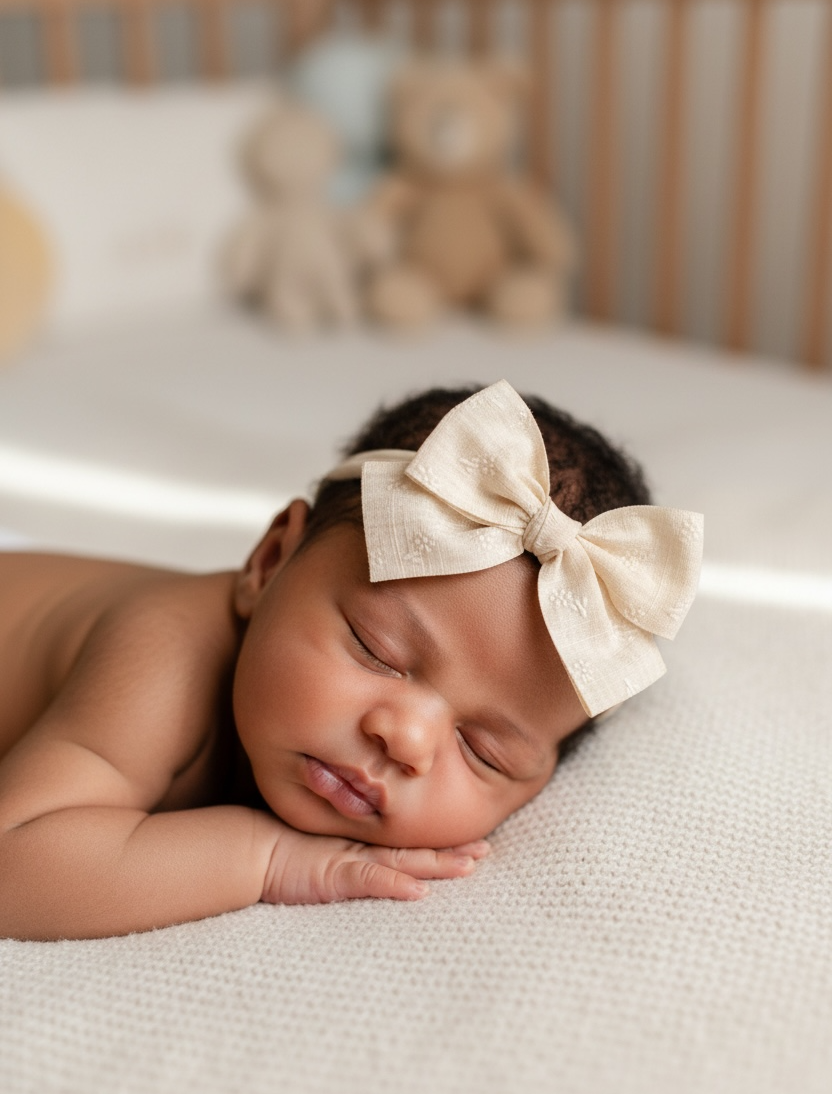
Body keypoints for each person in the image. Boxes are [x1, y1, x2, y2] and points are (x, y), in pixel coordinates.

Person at [0, 381, 702, 940]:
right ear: (270, 563)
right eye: (378, 652)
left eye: (484, 751)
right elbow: (17, 862)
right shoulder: (164, 653)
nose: (407, 739)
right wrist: (266, 858)